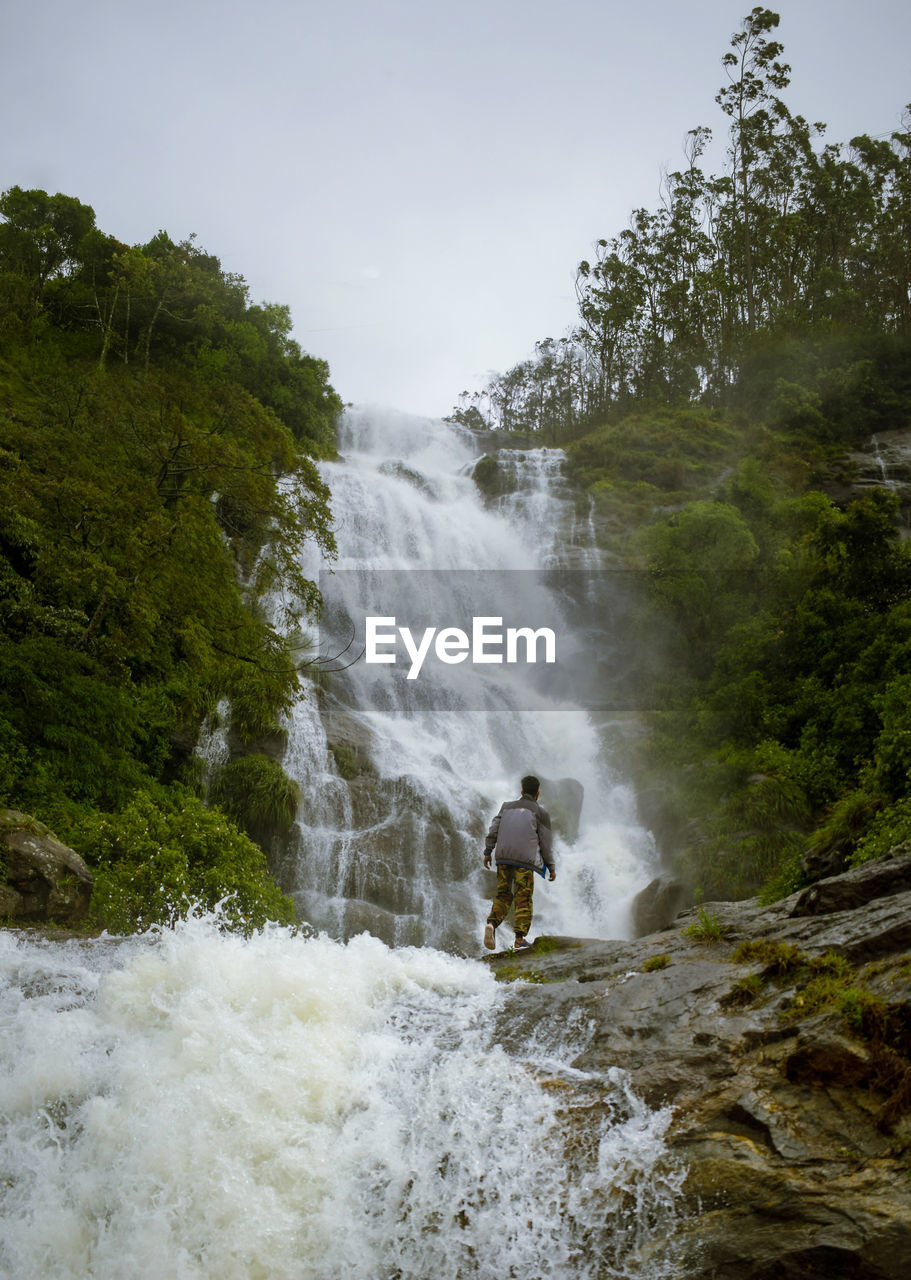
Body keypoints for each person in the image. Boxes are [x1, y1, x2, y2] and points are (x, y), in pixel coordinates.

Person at [483, 775, 555, 951]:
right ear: (538, 793)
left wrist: (488, 851)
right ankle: (519, 939)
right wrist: (551, 867)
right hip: (525, 861)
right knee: (523, 897)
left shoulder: (506, 807)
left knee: (503, 895)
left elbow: (494, 829)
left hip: (503, 858)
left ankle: (491, 924)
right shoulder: (541, 813)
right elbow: (545, 843)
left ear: (521, 792)